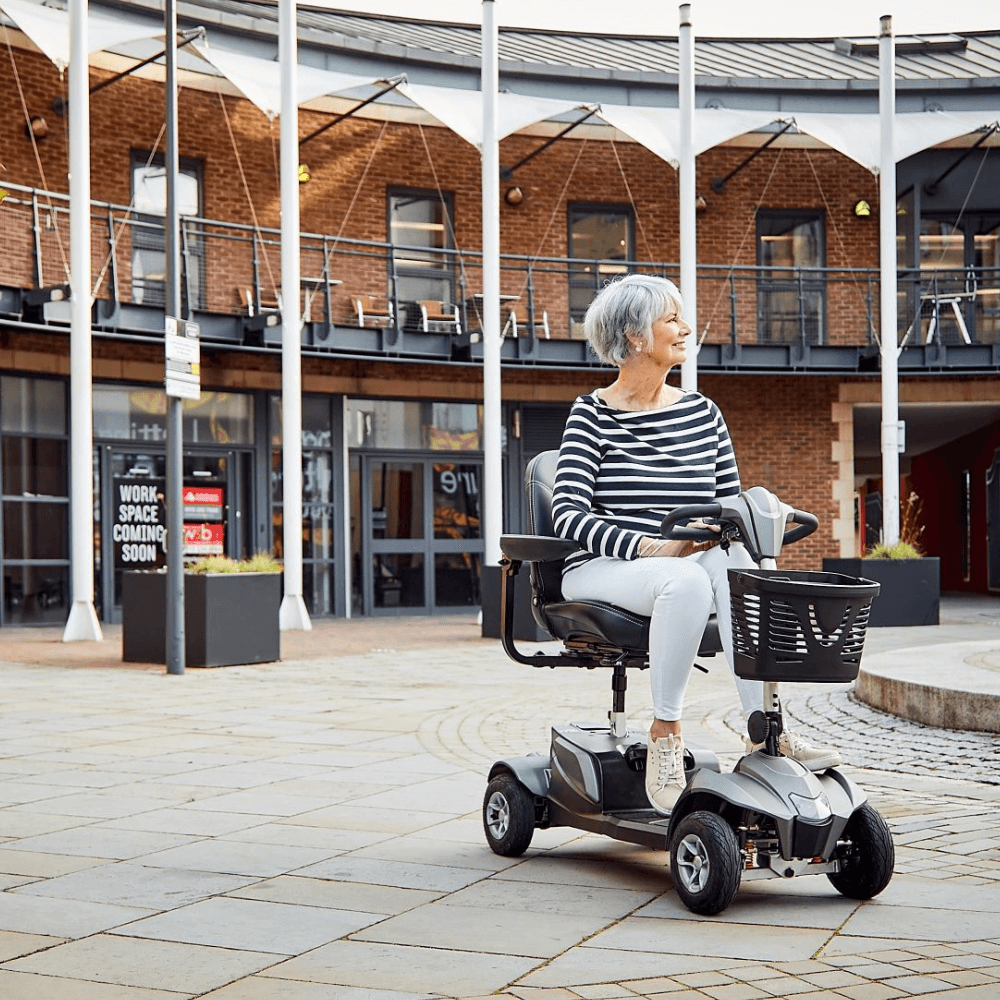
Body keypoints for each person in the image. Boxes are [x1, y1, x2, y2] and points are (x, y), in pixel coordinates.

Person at [551, 274, 840, 815]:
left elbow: (729, 507)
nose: (687, 328)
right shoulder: (592, 413)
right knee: (683, 581)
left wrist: (744, 527)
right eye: (672, 319)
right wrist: (650, 548)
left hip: (685, 557)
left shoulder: (703, 413)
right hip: (605, 564)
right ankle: (666, 732)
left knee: (742, 564)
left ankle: (766, 731)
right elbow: (568, 514)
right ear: (635, 336)